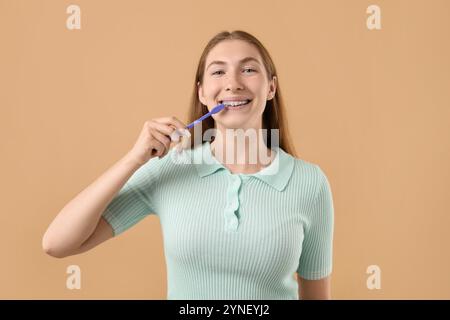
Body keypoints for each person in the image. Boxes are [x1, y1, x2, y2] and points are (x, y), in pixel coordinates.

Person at [43, 30, 334, 300]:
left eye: (248, 69)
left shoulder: (309, 182)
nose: (233, 83)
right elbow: (57, 243)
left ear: (271, 87)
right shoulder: (171, 169)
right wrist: (133, 159)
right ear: (202, 93)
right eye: (218, 72)